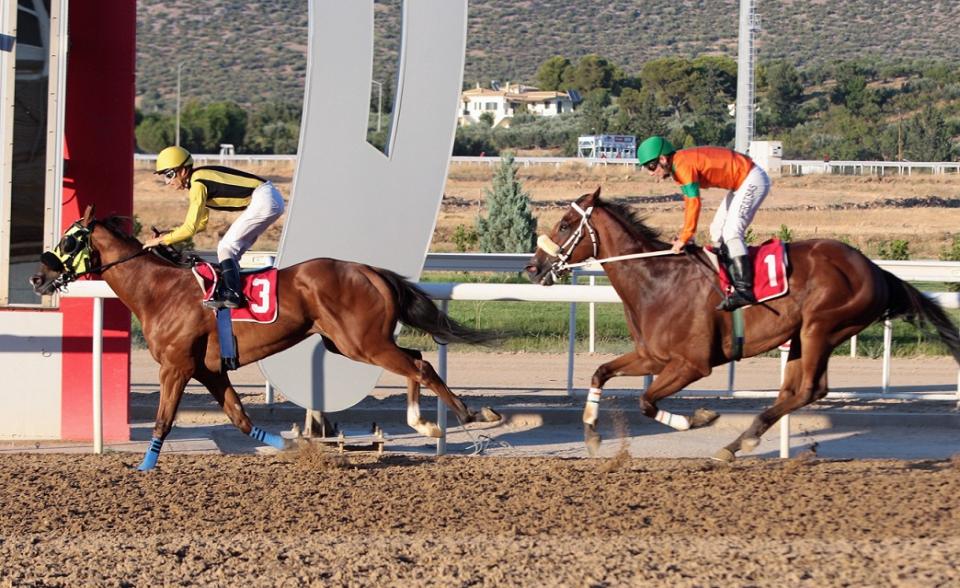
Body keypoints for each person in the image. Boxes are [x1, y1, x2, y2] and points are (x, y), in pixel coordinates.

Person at [636, 136, 771, 311]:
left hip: (751, 179)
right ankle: (729, 279)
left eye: (651, 166)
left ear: (663, 159)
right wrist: (686, 234)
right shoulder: (679, 167)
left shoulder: (683, 165)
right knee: (716, 230)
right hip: (740, 183)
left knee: (731, 232)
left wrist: (685, 237)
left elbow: (694, 202)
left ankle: (745, 290)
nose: (650, 172)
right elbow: (689, 203)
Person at [143, 146, 285, 309]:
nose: (168, 182)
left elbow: (190, 228)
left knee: (226, 247)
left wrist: (161, 241)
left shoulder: (197, 182)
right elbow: (200, 224)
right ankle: (239, 292)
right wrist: (170, 234)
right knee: (232, 252)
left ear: (183, 171)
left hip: (264, 198)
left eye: (169, 175)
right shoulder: (196, 182)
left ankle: (233, 294)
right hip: (268, 198)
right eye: (165, 177)